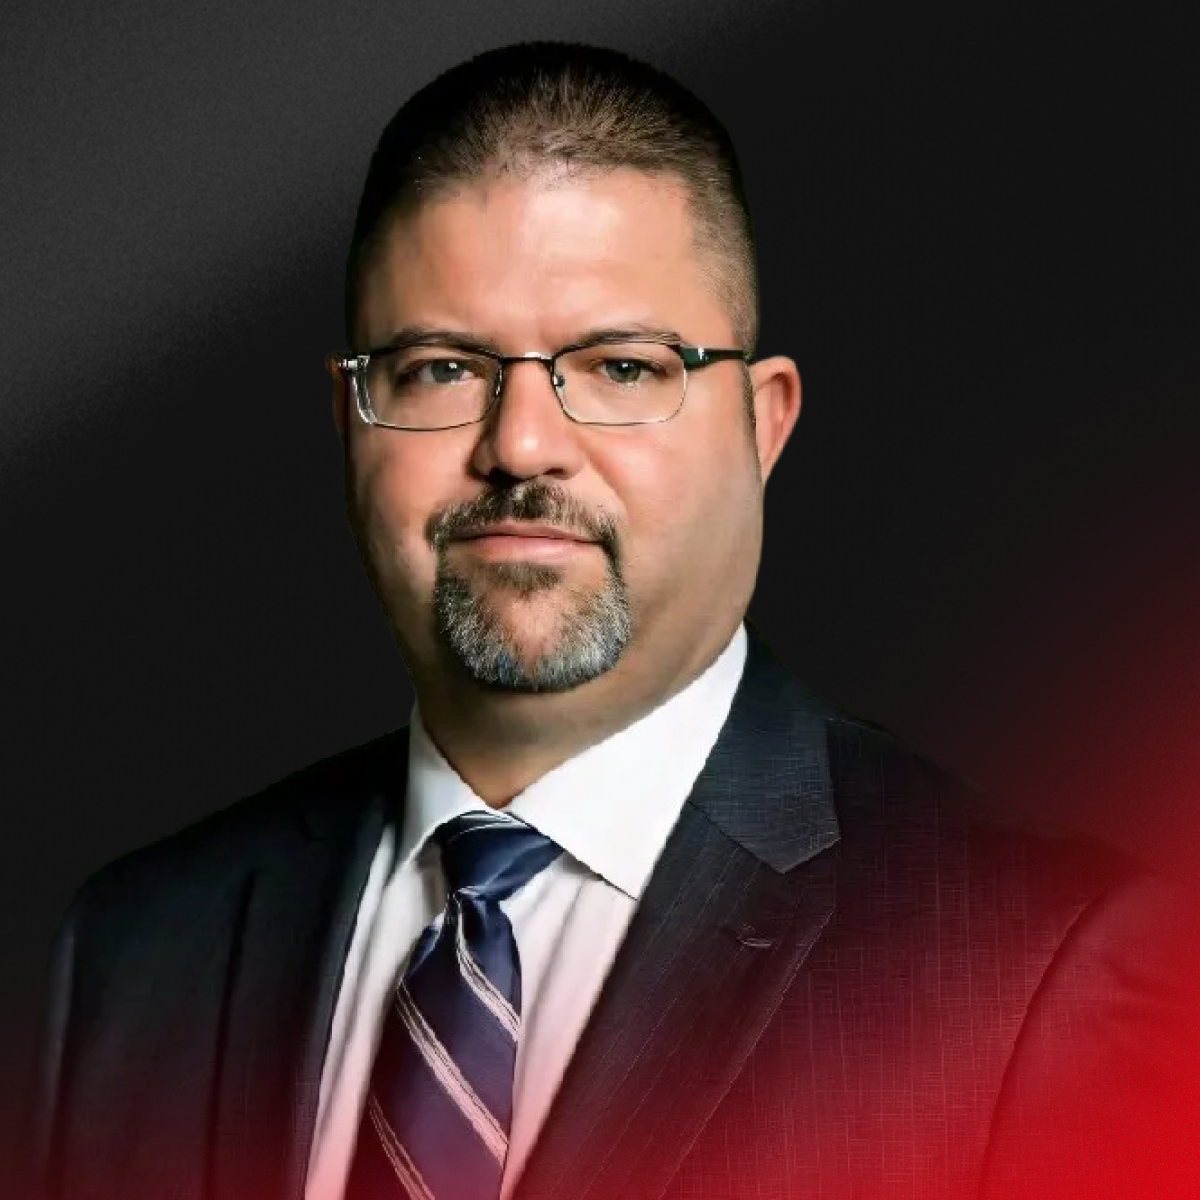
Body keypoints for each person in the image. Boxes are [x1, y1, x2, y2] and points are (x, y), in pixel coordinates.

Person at [23, 40, 1200, 1200]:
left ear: (763, 423)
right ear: (352, 421)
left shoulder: (1039, 968)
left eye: (623, 368)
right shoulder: (135, 950)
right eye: (440, 368)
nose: (522, 445)